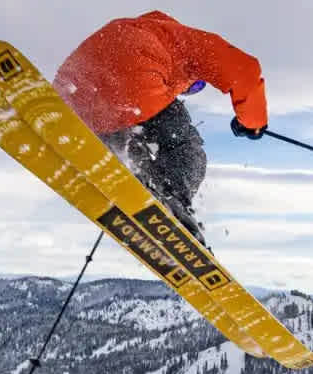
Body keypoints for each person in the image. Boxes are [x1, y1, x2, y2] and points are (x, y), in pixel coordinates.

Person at [53, 10, 268, 247]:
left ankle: (138, 178)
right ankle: (171, 203)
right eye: (195, 86)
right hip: (138, 82)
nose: (187, 91)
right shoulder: (184, 40)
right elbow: (245, 70)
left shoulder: (131, 27)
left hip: (76, 97)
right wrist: (252, 123)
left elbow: (105, 67)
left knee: (131, 146)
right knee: (184, 146)